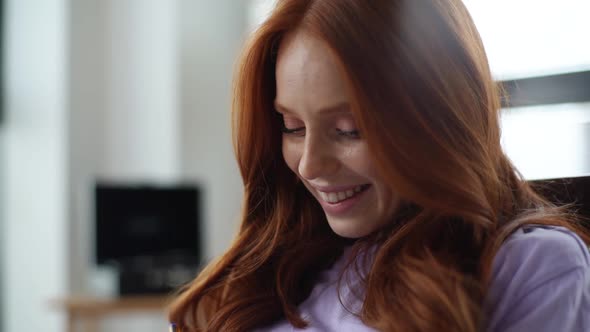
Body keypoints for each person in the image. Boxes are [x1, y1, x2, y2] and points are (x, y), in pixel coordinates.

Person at [168, 0, 590, 331]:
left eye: (350, 130)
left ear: (439, 120)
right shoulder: (273, 270)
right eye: (292, 126)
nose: (311, 165)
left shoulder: (531, 265)